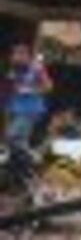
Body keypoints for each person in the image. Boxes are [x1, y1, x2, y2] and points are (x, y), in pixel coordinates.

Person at [4, 43, 53, 183]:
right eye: (14, 55)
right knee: (17, 142)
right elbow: (13, 89)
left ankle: (34, 158)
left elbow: (48, 86)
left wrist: (31, 90)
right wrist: (9, 104)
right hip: (17, 109)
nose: (15, 58)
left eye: (18, 55)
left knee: (12, 136)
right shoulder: (15, 70)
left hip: (31, 109)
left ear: (26, 56)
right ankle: (24, 172)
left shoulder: (36, 69)